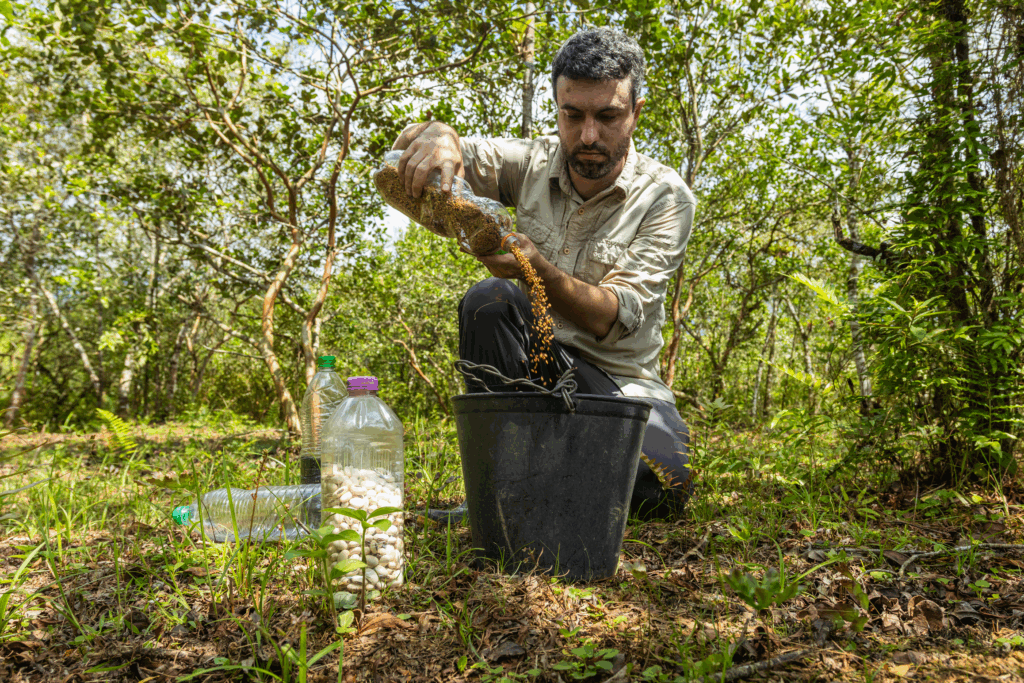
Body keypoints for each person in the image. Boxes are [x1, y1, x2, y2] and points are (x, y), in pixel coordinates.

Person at [392, 27, 696, 520]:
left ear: (636, 113)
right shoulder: (529, 163)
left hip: (615, 384)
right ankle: (500, 496)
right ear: (557, 107)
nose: (588, 135)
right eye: (572, 116)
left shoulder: (665, 197)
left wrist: (538, 271)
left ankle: (545, 480)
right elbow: (438, 150)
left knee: (659, 492)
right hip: (530, 369)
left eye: (608, 116)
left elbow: (613, 316)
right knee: (490, 299)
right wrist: (439, 136)